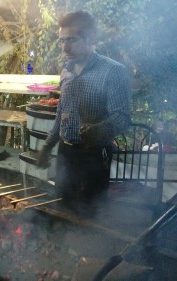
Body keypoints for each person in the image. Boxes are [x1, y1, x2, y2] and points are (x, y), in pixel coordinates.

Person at [36, 10, 132, 211]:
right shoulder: (66, 71)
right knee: (62, 208)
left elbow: (122, 117)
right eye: (62, 41)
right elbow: (62, 113)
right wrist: (48, 145)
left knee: (91, 213)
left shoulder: (113, 71)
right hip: (65, 153)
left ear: (90, 39)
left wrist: (99, 131)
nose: (65, 47)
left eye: (71, 40)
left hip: (94, 156)